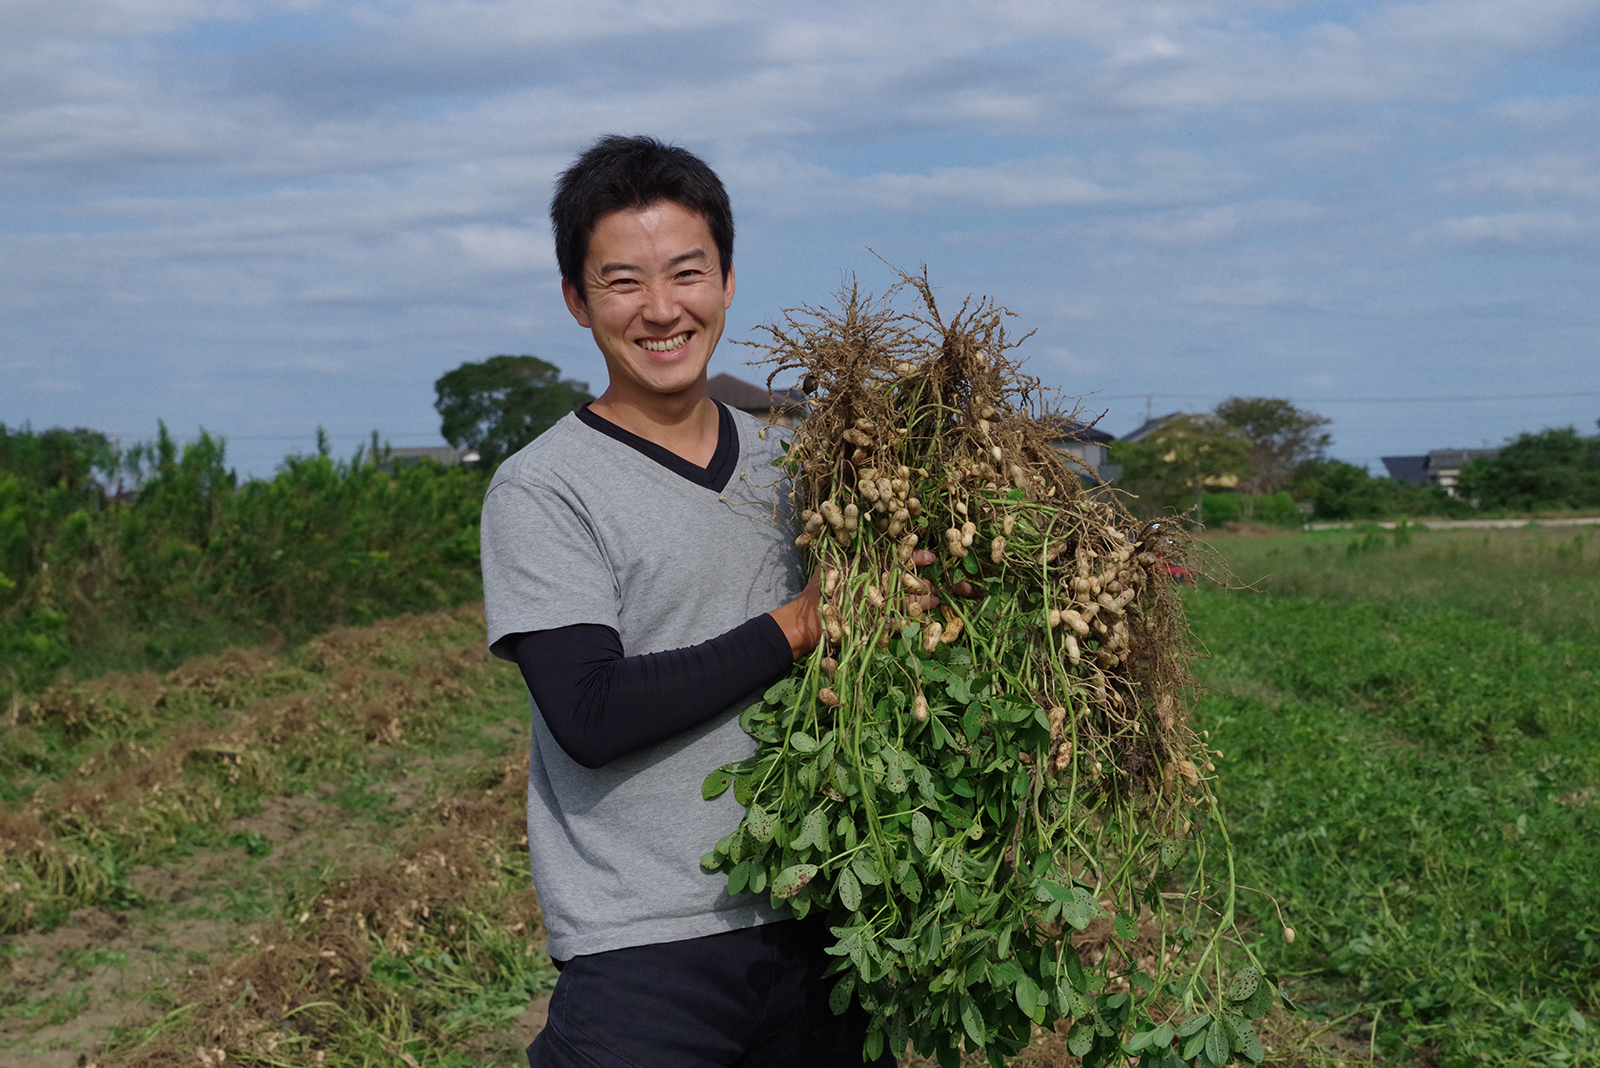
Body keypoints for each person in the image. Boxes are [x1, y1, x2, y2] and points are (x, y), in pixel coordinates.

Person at [479, 135, 900, 1068]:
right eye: (624, 282)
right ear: (576, 302)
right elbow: (588, 711)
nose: (662, 310)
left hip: (824, 920)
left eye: (687, 274)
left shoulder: (804, 468)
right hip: (645, 947)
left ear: (728, 283)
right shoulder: (546, 488)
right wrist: (799, 626)